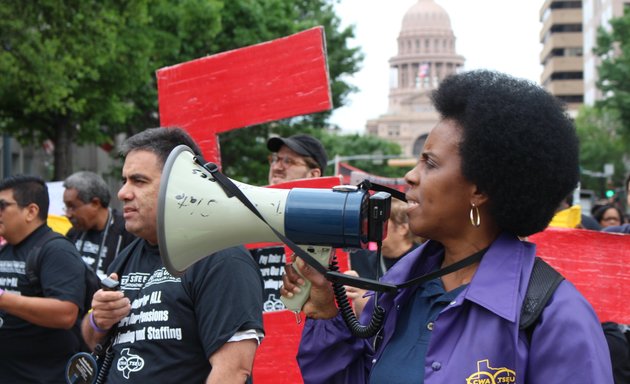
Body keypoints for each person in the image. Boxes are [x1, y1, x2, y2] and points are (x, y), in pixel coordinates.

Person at [281, 70, 613, 383]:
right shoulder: (396, 295)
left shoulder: (558, 317)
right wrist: (327, 312)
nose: (410, 176)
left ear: (480, 190)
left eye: (431, 163)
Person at [81, 127, 265, 383]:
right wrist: (98, 321)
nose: (123, 193)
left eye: (139, 181)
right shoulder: (128, 255)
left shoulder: (221, 257)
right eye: (124, 181)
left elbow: (233, 371)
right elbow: (91, 339)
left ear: (180, 185)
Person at [0, 175, 89, 383]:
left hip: (45, 377)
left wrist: (3, 299)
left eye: (3, 206)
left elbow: (65, 313)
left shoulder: (57, 250)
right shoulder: (6, 249)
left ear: (31, 211)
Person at [345, 199, 423, 317]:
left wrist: (371, 304)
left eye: (380, 221)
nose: (371, 227)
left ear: (403, 228)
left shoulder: (424, 262)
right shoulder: (361, 258)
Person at [63, 171, 135, 279]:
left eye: (72, 207)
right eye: (66, 207)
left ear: (95, 203)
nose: (68, 214)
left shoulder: (127, 231)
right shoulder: (73, 234)